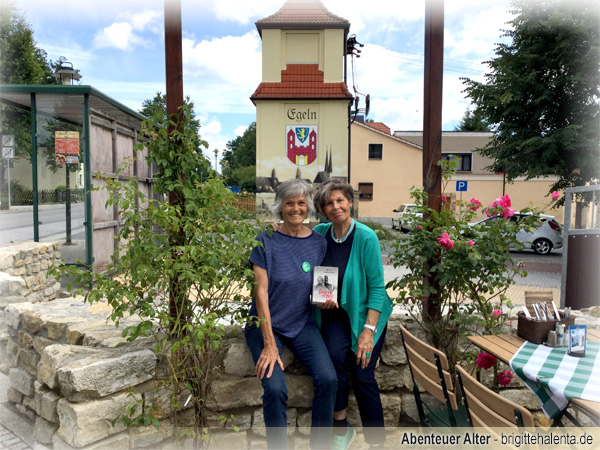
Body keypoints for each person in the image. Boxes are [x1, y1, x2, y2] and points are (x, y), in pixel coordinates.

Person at [245, 178, 337, 450]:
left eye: (301, 203)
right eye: (289, 203)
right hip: (265, 325)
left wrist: (325, 301)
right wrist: (270, 344)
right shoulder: (265, 239)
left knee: (329, 379)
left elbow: (320, 287)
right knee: (275, 389)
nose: (296, 208)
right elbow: (260, 293)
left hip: (301, 323)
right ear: (280, 207)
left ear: (308, 206)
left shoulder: (318, 242)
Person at [313, 180, 393, 449]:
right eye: (328, 203)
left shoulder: (366, 237)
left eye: (340, 200)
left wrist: (367, 333)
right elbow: (297, 236)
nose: (335, 207)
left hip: (369, 315)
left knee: (362, 374)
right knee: (334, 363)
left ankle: (377, 442)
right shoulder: (320, 233)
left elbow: (378, 289)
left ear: (349, 203)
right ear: (323, 210)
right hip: (336, 314)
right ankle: (341, 429)